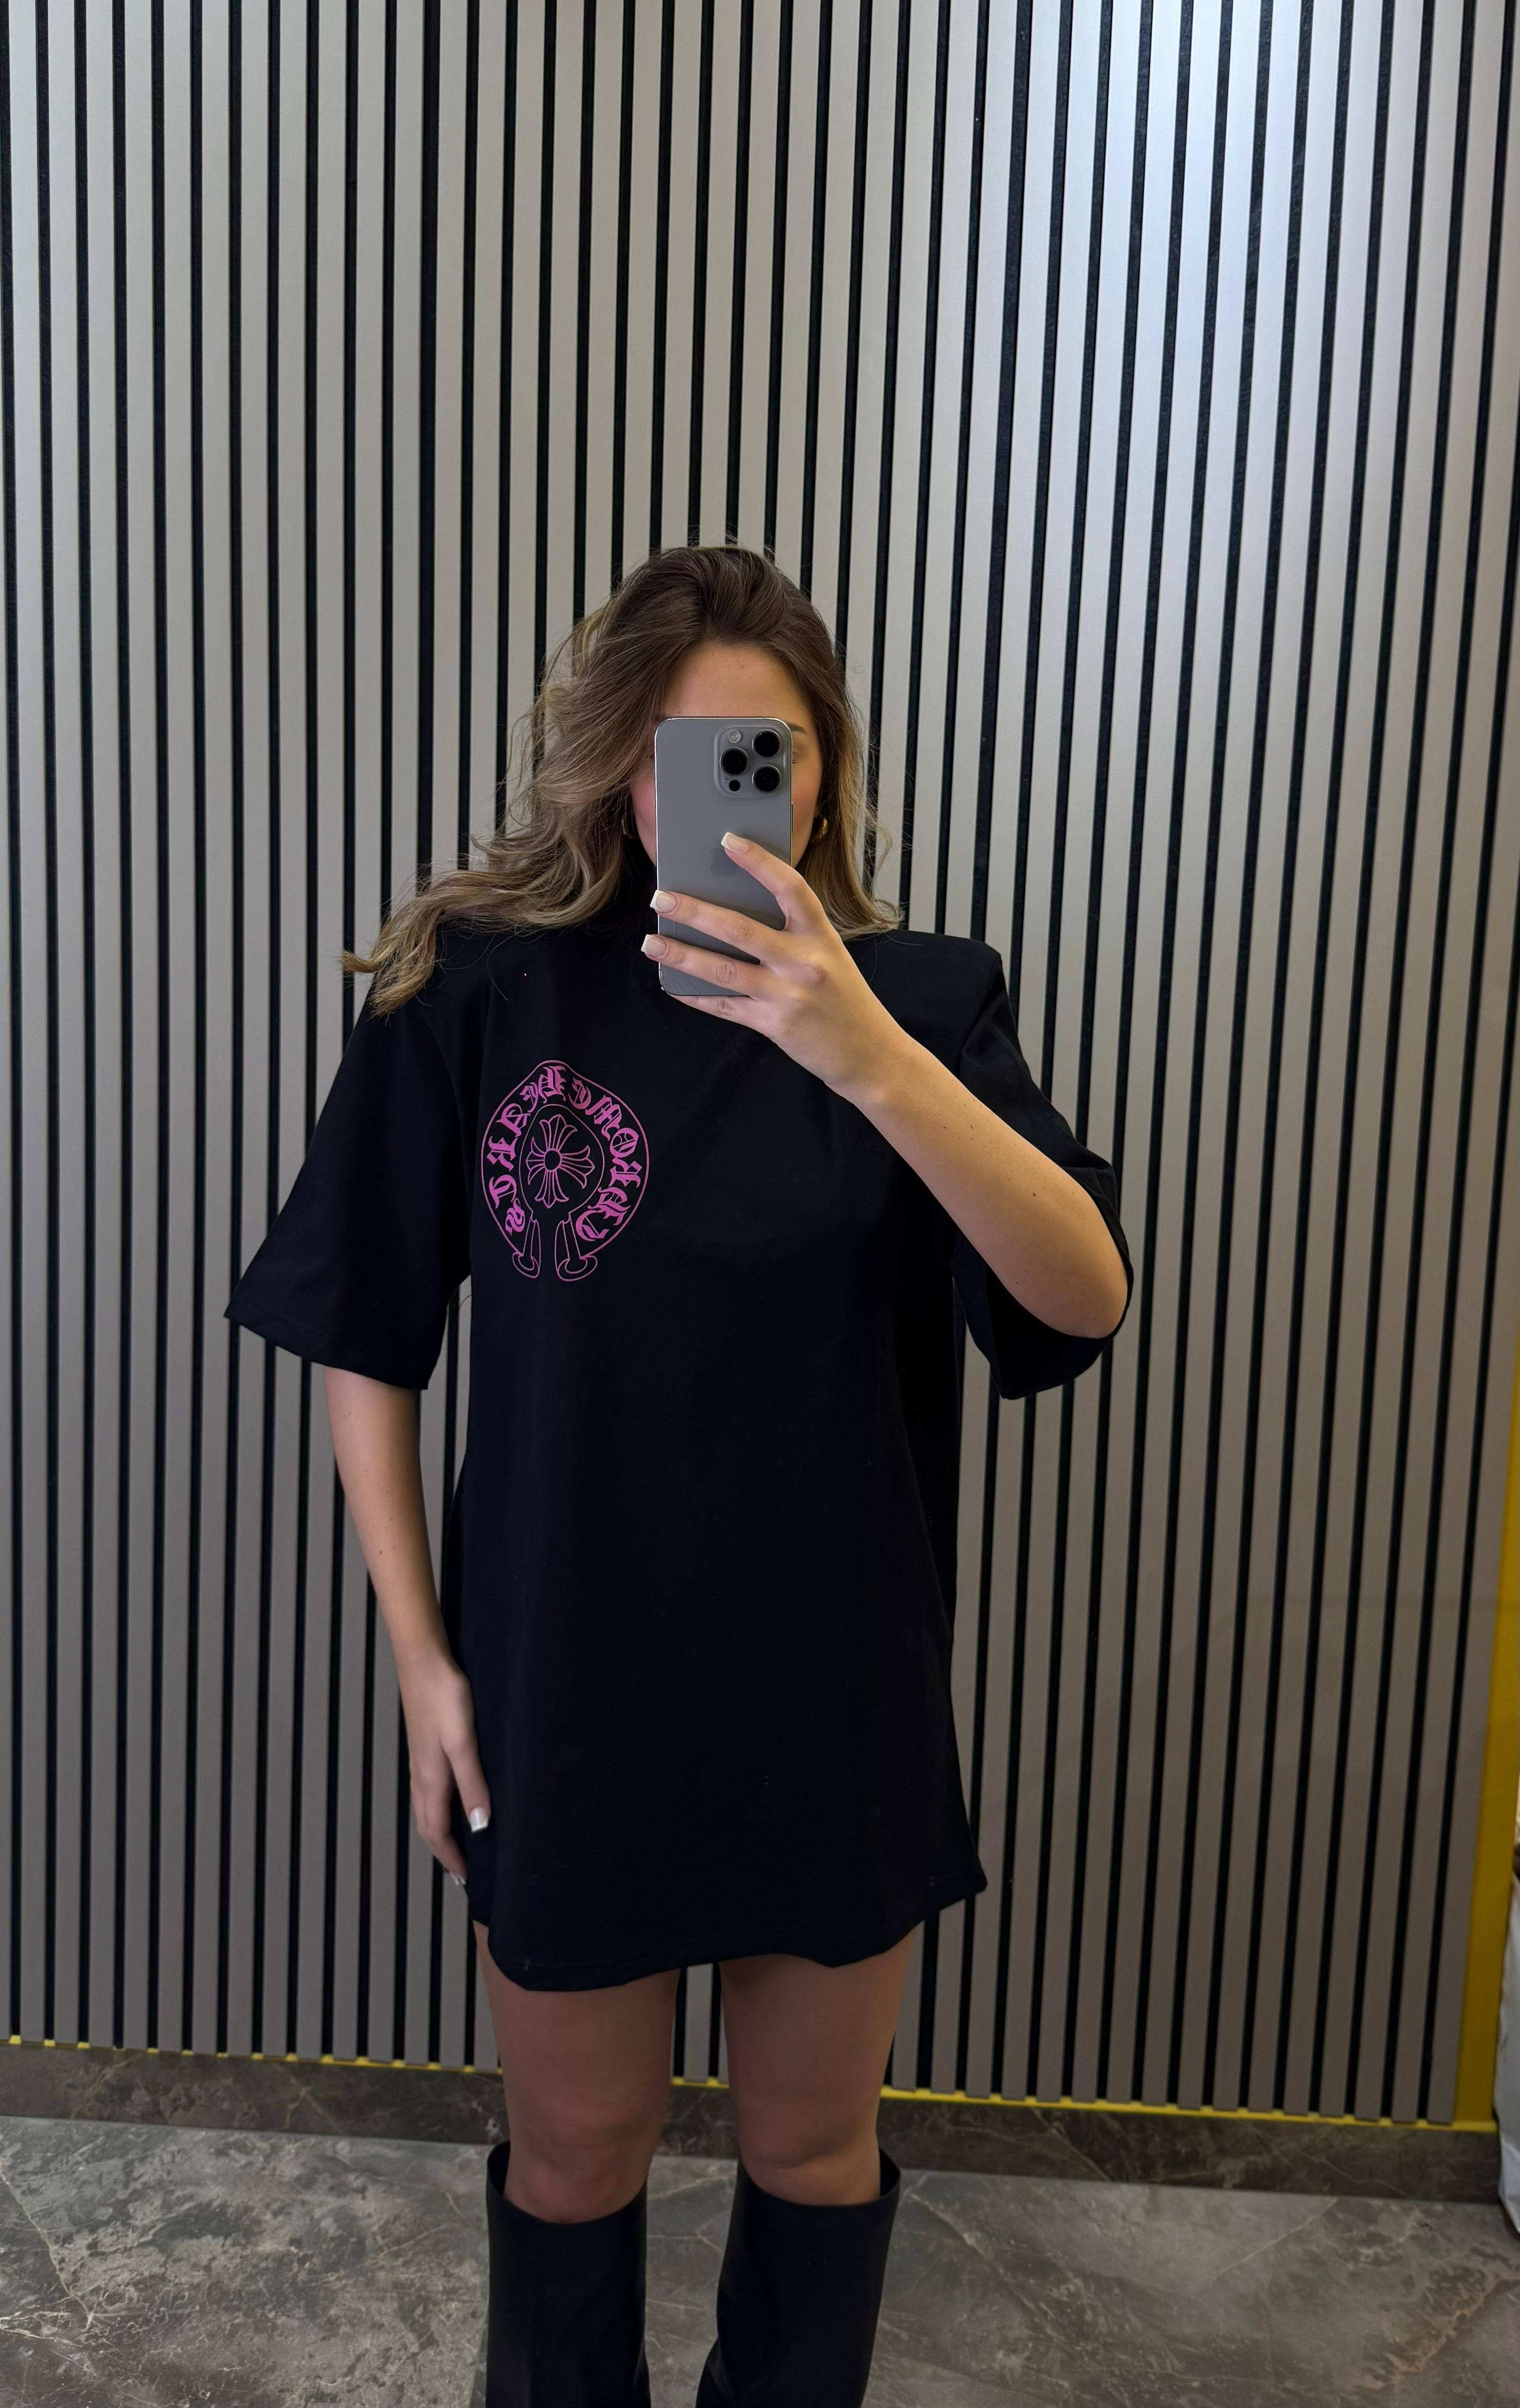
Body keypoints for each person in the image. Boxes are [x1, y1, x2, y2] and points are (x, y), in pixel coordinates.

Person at [225, 543, 1132, 2406]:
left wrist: (867, 1055)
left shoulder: (925, 1004)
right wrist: (424, 1664)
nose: (706, 795)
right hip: (565, 1694)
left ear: (824, 774)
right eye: (669, 752)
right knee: (574, 2160)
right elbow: (361, 1328)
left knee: (813, 2154)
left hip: (831, 1686)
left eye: (758, 755)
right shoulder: (486, 994)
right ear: (614, 769)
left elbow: (1081, 1297)